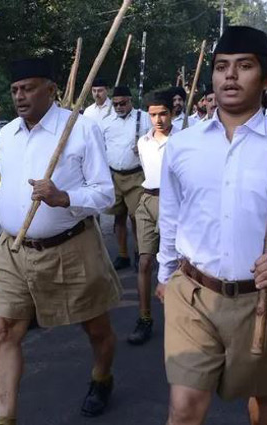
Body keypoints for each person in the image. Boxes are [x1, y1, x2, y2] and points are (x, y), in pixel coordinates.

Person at [0, 57, 121, 424]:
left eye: (28, 88)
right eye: (15, 90)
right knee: (4, 330)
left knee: (95, 327)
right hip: (13, 250)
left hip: (72, 248)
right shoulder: (7, 134)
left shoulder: (79, 129)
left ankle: (101, 376)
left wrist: (65, 198)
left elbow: (105, 195)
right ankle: (5, 418)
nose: (20, 96)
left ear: (51, 89)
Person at [157, 26, 267, 425]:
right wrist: (165, 274)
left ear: (264, 77)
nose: (230, 77)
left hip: (259, 303)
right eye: (222, 67)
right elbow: (170, 215)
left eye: (244, 66)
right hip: (193, 295)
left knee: (261, 408)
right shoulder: (184, 145)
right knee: (184, 409)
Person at [127, 91, 174, 346]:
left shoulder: (183, 140)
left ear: (172, 114)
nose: (158, 119)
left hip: (174, 204)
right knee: (144, 262)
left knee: (176, 266)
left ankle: (180, 319)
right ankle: (144, 318)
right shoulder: (143, 142)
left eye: (163, 114)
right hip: (146, 201)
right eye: (153, 114)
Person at [101, 86, 152, 270]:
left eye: (123, 103)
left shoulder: (144, 118)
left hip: (136, 176)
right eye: (115, 104)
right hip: (114, 176)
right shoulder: (106, 123)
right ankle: (123, 255)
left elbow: (158, 139)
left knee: (136, 217)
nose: (119, 107)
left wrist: (145, 146)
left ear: (130, 101)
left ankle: (140, 253)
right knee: (118, 217)